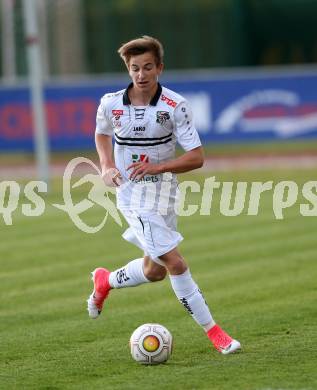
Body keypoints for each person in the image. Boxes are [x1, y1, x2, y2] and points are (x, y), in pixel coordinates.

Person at [87, 35, 241, 355]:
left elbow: (196, 157)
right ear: (128, 70)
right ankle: (215, 333)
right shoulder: (111, 103)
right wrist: (105, 166)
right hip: (131, 194)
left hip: (165, 191)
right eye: (134, 68)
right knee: (175, 262)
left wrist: (158, 169)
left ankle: (105, 281)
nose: (140, 75)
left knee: (154, 270)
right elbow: (101, 133)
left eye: (147, 68)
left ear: (160, 68)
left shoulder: (175, 106)